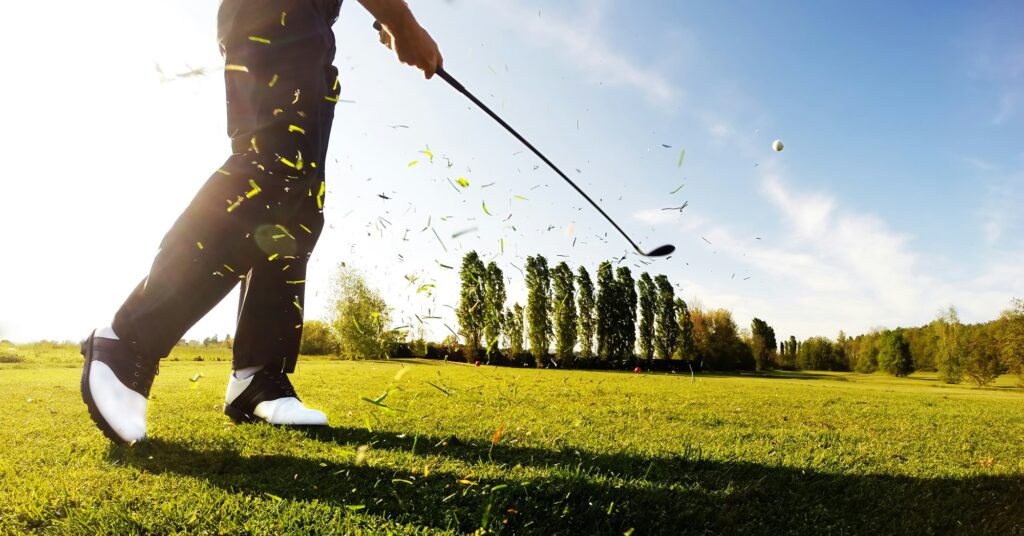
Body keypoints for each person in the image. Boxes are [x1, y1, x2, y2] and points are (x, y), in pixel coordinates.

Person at [80, 0, 443, 444]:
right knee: (275, 169)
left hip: (311, 23)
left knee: (300, 206)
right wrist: (402, 23)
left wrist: (388, 19)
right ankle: (130, 341)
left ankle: (257, 376)